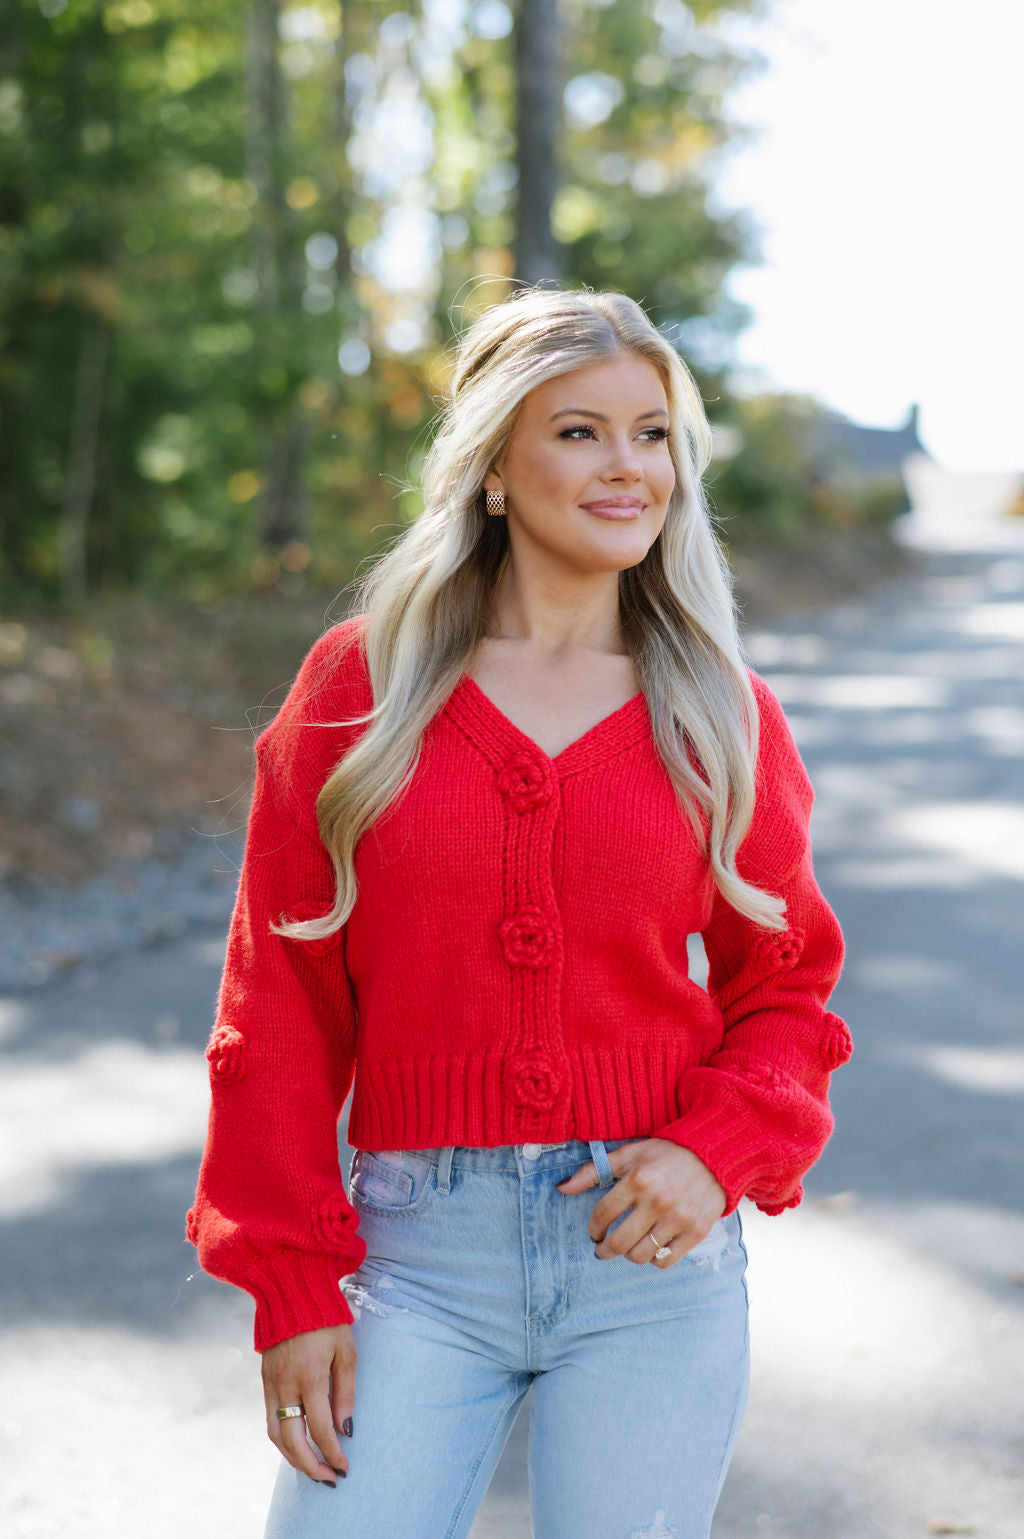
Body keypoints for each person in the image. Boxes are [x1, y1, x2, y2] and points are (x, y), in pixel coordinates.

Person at [187, 286, 850, 1539]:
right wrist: (291, 1284)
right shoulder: (358, 689)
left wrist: (717, 1149)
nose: (628, 469)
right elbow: (275, 1004)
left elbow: (786, 986)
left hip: (647, 1267)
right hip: (416, 1265)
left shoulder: (718, 709)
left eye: (653, 434)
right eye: (580, 431)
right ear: (494, 464)